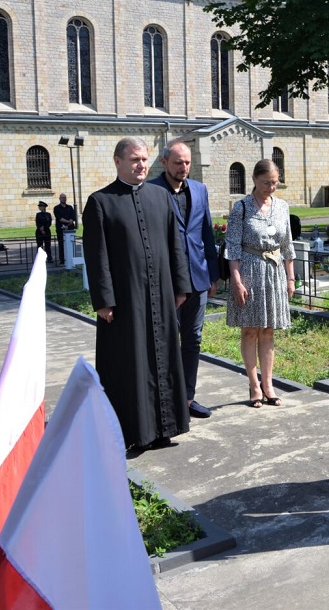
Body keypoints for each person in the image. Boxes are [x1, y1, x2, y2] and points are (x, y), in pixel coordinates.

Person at [82, 137, 192, 451]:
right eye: (134, 160)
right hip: (125, 301)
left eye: (144, 159)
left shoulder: (160, 196)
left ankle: (164, 429)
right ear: (117, 162)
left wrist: (181, 286)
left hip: (161, 295)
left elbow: (175, 245)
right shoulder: (100, 201)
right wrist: (104, 300)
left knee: (164, 358)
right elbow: (97, 255)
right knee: (129, 364)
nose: (140, 165)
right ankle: (132, 433)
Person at [149, 140, 219, 419]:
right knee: (164, 340)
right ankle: (165, 400)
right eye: (178, 162)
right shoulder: (151, 191)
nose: (184, 167)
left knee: (193, 339)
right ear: (165, 162)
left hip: (198, 278)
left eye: (187, 162)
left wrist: (213, 274)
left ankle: (188, 398)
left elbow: (206, 234)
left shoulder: (199, 190)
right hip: (166, 280)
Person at [225, 159, 295, 408]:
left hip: (274, 272)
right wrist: (236, 280)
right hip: (249, 271)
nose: (271, 187)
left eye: (275, 183)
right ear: (254, 179)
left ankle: (268, 384)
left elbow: (287, 245)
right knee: (250, 330)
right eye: (267, 183)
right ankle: (254, 385)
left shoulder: (282, 206)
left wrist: (290, 278)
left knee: (268, 331)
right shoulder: (241, 208)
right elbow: (232, 246)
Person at [53, 192, 77, 265]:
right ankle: (62, 260)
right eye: (62, 197)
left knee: (71, 244)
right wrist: (67, 221)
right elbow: (59, 218)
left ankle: (72, 259)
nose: (63, 199)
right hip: (60, 229)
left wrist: (70, 221)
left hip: (70, 229)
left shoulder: (70, 207)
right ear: (59, 199)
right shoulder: (56, 208)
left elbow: (73, 217)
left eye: (64, 197)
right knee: (61, 245)